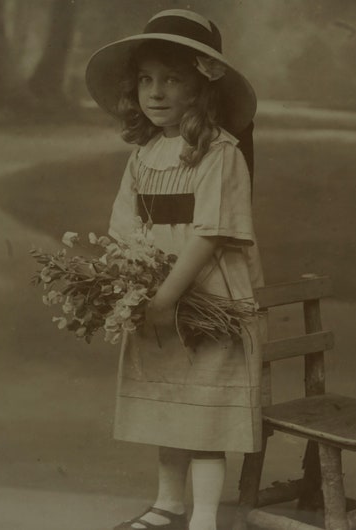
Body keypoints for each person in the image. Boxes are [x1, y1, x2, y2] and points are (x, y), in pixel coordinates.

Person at [85, 9, 263, 530]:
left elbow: (210, 232)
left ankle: (204, 517)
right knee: (170, 403)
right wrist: (129, 285)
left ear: (202, 87)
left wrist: (166, 298)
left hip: (207, 293)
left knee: (204, 411)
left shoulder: (220, 152)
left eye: (172, 78)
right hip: (154, 289)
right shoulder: (143, 153)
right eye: (146, 79)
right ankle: (168, 504)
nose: (155, 92)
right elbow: (125, 223)